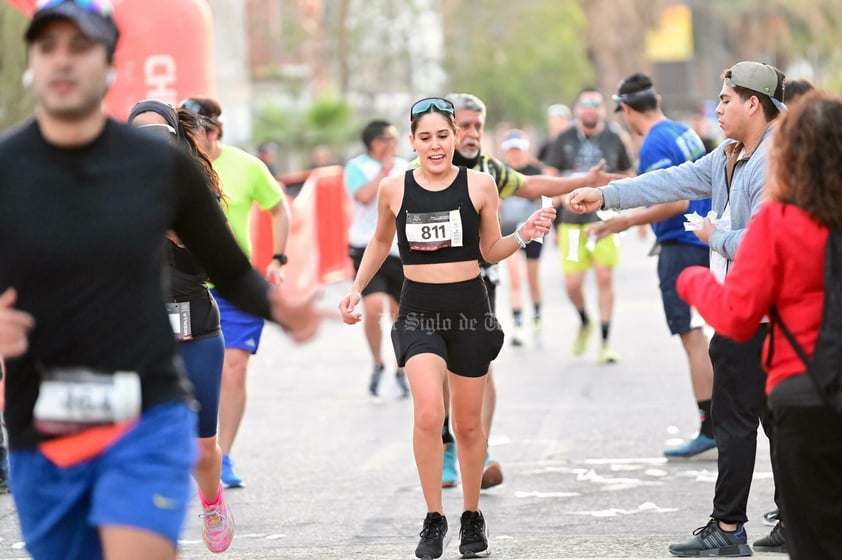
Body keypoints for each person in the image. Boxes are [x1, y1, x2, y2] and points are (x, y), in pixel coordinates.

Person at [0, 3, 320, 560]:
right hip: (45, 417)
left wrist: (281, 304)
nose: (63, 61)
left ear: (108, 67)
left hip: (146, 409)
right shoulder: (8, 168)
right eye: (48, 48)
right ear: (31, 64)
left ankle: (209, 497)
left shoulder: (163, 169)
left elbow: (232, 271)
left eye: (80, 48)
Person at [567, 61, 788, 557]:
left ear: (754, 103)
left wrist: (716, 237)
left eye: (727, 99)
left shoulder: (774, 159)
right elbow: (670, 183)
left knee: (734, 422)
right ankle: (794, 518)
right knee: (776, 420)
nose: (720, 107)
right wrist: (605, 194)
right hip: (752, 311)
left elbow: (765, 241)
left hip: (759, 313)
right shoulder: (730, 154)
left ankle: (729, 530)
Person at [339, 96, 556, 560]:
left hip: (468, 310)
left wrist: (526, 233)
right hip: (419, 310)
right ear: (412, 141)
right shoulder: (393, 189)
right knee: (427, 413)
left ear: (456, 137)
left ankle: (471, 515)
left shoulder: (479, 186)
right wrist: (357, 288)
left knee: (470, 425)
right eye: (425, 137)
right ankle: (434, 516)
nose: (435, 146)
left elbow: (491, 250)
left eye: (443, 136)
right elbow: (379, 242)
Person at [677, 89, 842, 560]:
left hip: (805, 393)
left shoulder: (781, 223)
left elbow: (737, 314)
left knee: (815, 539)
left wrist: (692, 279)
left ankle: (731, 526)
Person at [439, 92, 622, 491]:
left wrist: (585, 180)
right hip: (429, 287)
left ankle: (479, 448)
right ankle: (447, 445)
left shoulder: (488, 170)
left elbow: (532, 183)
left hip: (478, 281)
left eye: (476, 126)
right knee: (439, 372)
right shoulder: (421, 169)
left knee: (478, 368)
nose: (470, 134)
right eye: (462, 126)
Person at [587, 73, 716, 460]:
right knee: (706, 336)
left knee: (692, 337)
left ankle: (711, 428)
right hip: (702, 240)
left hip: (683, 245)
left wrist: (622, 221)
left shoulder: (653, 142)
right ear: (656, 98)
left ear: (625, 110)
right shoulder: (681, 132)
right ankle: (720, 424)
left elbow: (675, 199)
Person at [128, 99, 234, 553]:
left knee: (202, 447)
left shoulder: (197, 190)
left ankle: (212, 503)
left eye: (160, 133)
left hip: (197, 327)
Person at [180, 96, 291, 489]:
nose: (192, 136)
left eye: (197, 128)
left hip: (232, 286)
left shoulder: (246, 165)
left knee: (235, 367)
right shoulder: (176, 166)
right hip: (184, 285)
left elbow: (279, 207)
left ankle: (221, 455)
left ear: (215, 130)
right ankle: (190, 450)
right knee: (186, 375)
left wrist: (279, 257)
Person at [758, 74, 815, 531]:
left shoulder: (787, 204)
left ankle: (794, 514)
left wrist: (696, 279)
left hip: (802, 368)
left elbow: (739, 307)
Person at [543, 87, 635, 364]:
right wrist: (559, 201)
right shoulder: (564, 139)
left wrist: (626, 202)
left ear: (603, 110)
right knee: (572, 284)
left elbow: (630, 174)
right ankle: (585, 320)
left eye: (596, 104)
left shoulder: (614, 139)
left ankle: (605, 342)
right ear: (578, 110)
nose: (590, 109)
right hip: (571, 223)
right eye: (585, 104)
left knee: (604, 277)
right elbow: (550, 177)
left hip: (605, 219)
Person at [344, 119, 410, 397]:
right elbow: (363, 197)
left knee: (401, 314)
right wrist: (384, 170)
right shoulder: (356, 167)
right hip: (366, 246)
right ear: (376, 142)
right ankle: (378, 362)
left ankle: (401, 368)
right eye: (390, 138)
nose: (396, 143)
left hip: (400, 250)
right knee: (372, 310)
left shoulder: (406, 166)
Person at [497, 129, 545, 347]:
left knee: (532, 278)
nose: (515, 154)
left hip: (533, 230)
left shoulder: (535, 171)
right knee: (515, 279)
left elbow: (546, 199)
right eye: (511, 150)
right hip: (509, 229)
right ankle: (517, 326)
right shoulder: (500, 173)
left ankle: (537, 318)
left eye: (518, 149)